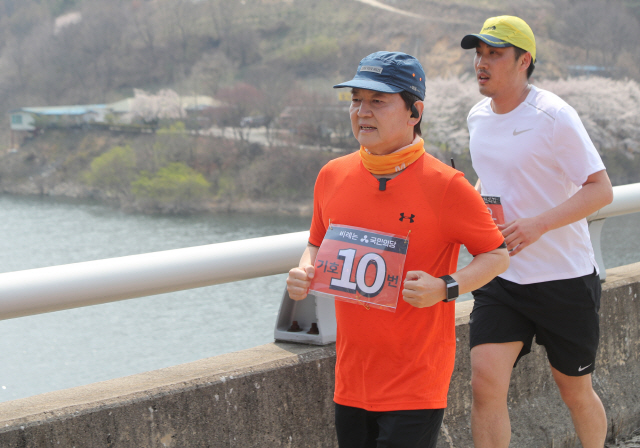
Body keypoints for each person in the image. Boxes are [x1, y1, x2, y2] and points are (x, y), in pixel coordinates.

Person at [286, 51, 510, 448]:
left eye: (378, 101)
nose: (362, 112)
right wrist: (305, 270)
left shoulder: (447, 186)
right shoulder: (332, 175)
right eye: (356, 100)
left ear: (414, 112)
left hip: (415, 381)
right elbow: (317, 242)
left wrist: (446, 287)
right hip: (351, 379)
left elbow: (496, 255)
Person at [460, 16, 614, 448]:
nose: (481, 63)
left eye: (495, 53)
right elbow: (488, 182)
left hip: (564, 280)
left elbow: (600, 189)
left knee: (574, 391)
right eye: (478, 53)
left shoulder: (554, 116)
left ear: (524, 60)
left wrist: (538, 224)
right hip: (503, 277)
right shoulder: (477, 117)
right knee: (484, 384)